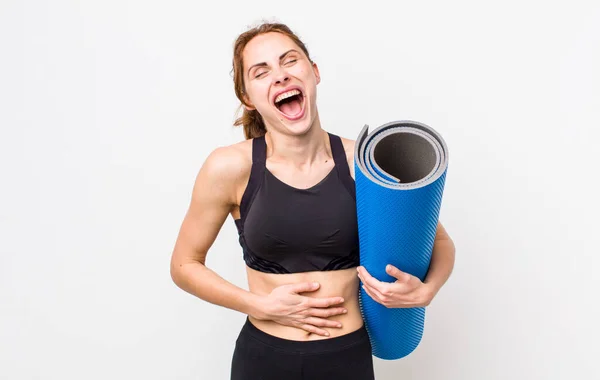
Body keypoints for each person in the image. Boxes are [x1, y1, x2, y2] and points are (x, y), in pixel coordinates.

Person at [169, 21, 456, 380]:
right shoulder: (229, 166)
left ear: (314, 72)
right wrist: (260, 304)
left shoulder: (363, 163)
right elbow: (184, 265)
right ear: (247, 97)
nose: (280, 76)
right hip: (264, 357)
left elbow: (439, 240)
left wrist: (427, 290)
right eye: (261, 72)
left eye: (289, 61)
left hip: (346, 357)